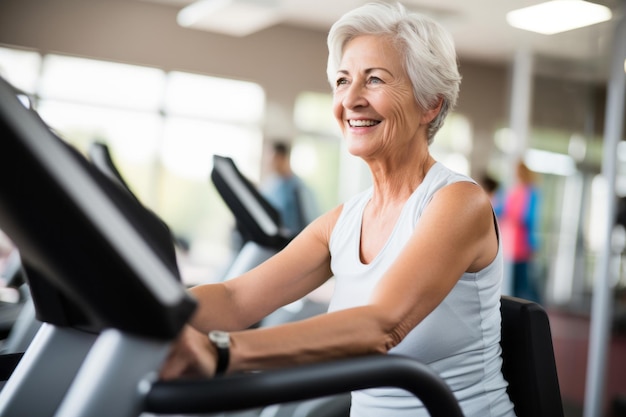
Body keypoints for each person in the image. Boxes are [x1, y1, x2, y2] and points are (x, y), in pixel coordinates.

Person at [160, 3, 516, 416]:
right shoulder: (346, 219)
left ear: (430, 105)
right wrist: (145, 311)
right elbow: (236, 298)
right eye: (343, 81)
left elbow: (380, 325)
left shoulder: (459, 203)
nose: (351, 99)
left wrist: (222, 352)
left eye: (375, 80)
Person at [496, 160, 541, 303]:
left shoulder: (530, 193)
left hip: (522, 245)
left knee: (522, 286)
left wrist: (532, 244)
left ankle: (534, 317)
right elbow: (502, 210)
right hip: (510, 245)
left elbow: (529, 219)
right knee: (513, 286)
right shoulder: (513, 191)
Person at [260, 141, 318, 236]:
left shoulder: (299, 188)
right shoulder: (270, 185)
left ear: (281, 157)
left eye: (272, 157)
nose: (268, 162)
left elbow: (310, 221)